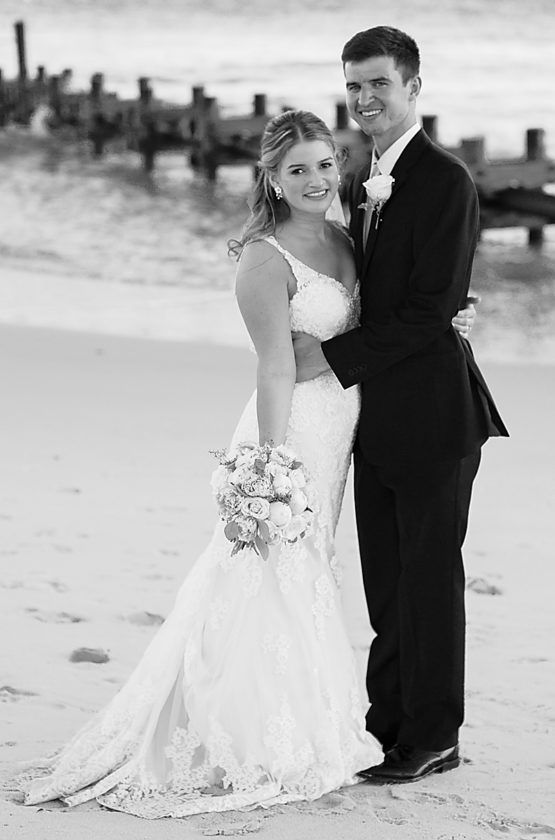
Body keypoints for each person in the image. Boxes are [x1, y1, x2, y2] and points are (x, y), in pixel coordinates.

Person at [16, 109, 477, 818]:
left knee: (308, 576)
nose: (316, 179)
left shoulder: (344, 237)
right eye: (297, 170)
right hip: (291, 432)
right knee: (265, 574)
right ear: (271, 178)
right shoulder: (264, 257)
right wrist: (268, 466)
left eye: (324, 164)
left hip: (343, 432)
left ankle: (306, 720)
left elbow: (398, 306)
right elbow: (273, 368)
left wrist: (452, 312)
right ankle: (248, 735)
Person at [292, 27, 509, 784]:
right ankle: (385, 729)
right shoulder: (359, 177)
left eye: (379, 82)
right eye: (354, 84)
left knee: (428, 582)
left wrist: (328, 359)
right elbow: (369, 287)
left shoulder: (445, 180)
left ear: (413, 87)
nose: (365, 98)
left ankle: (434, 736)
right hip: (374, 416)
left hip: (435, 415)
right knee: (385, 584)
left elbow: (428, 308)